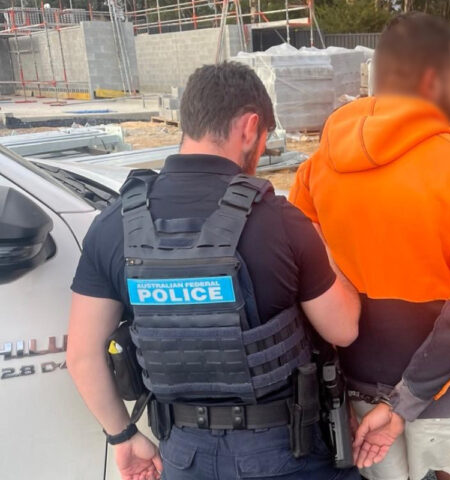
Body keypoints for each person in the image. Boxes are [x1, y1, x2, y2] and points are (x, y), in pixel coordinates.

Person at [66, 62, 362, 480]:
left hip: (182, 454)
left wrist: (123, 437)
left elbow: (81, 355)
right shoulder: (280, 220)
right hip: (283, 452)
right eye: (265, 140)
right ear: (250, 127)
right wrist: (324, 248)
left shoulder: (115, 223)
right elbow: (343, 329)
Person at [289, 12, 450, 480]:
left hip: (354, 383)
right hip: (447, 388)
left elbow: (303, 287)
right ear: (435, 79)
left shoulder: (315, 170)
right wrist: (406, 400)